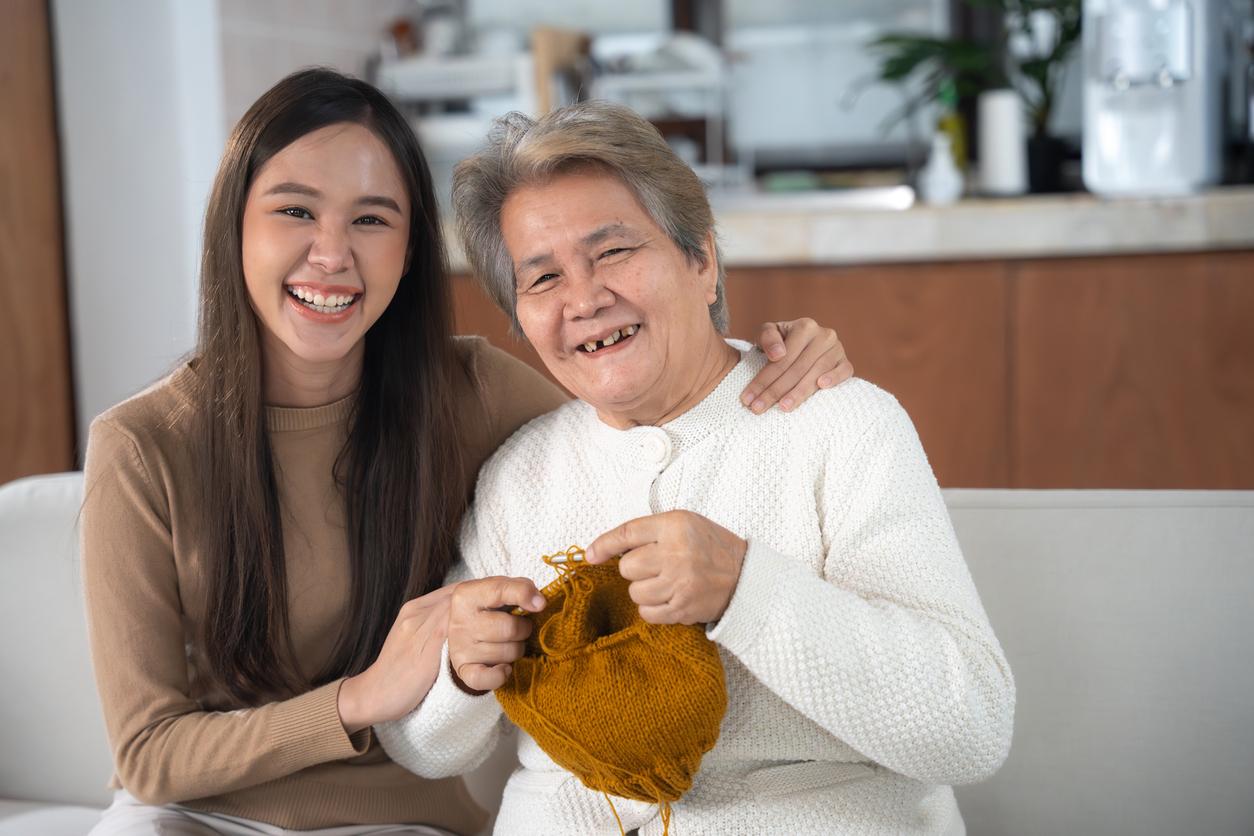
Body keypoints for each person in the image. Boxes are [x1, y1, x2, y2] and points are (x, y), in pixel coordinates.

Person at [80, 70, 852, 835]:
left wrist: (764, 356)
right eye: (294, 211)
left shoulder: (469, 391)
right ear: (233, 229)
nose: (331, 253)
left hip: (402, 824)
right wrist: (363, 696)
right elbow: (148, 753)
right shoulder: (142, 448)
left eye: (372, 220)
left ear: (412, 248)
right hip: (188, 820)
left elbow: (652, 421)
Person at [375, 101, 1016, 836]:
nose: (584, 299)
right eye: (542, 279)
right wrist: (462, 671)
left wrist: (748, 588)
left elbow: (972, 727)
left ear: (701, 260)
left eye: (613, 252)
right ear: (521, 320)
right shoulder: (518, 475)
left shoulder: (841, 423)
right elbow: (424, 746)